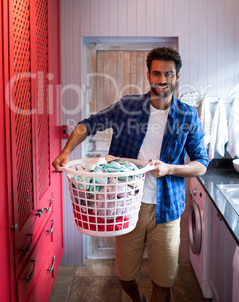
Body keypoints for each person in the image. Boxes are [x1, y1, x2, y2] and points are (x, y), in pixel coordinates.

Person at [52, 47, 209, 302]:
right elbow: (88, 124)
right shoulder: (128, 107)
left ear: (177, 77)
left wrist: (170, 169)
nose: (162, 80)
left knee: (163, 281)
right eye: (156, 73)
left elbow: (201, 163)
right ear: (148, 75)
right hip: (125, 206)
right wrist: (65, 152)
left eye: (168, 74)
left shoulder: (188, 116)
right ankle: (138, 299)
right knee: (125, 276)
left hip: (167, 209)